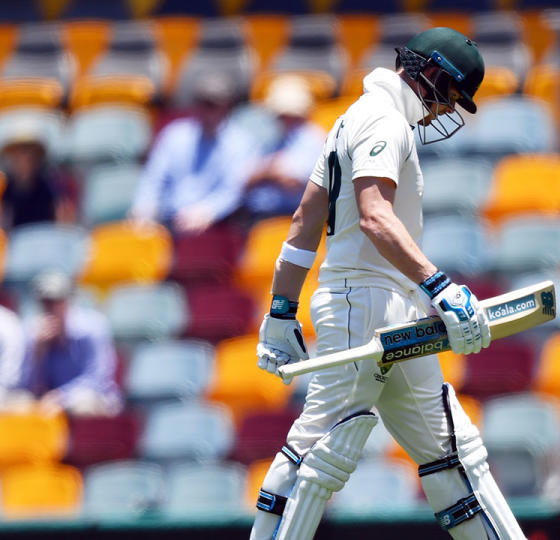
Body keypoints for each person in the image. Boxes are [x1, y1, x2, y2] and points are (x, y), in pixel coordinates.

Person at [251, 28, 525, 539]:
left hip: (380, 302)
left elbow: (304, 223)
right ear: (435, 74)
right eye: (451, 96)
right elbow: (375, 217)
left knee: (454, 451)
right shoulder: (382, 119)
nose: (446, 112)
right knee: (321, 448)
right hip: (366, 302)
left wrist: (282, 310)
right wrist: (439, 285)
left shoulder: (350, 119)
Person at [129, 72, 258, 234]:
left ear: (226, 107)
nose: (206, 111)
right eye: (203, 103)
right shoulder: (174, 135)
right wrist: (144, 208)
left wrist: (208, 211)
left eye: (213, 105)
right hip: (169, 222)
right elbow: (153, 179)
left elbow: (235, 190)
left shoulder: (242, 143)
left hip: (218, 227)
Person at [6, 271, 121, 416]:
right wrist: (38, 352)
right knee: (14, 405)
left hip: (95, 398)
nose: (51, 307)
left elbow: (97, 378)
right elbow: (27, 386)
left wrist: (62, 396)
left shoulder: (93, 328)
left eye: (56, 301)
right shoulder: (33, 333)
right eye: (45, 301)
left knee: (81, 404)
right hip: (49, 401)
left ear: (68, 301)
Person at [243, 74, 326, 220]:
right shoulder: (270, 137)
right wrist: (269, 173)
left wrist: (266, 173)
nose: (285, 119)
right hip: (258, 215)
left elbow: (294, 183)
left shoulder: (314, 139)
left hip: (296, 218)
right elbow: (245, 180)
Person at [0, 121, 75, 231]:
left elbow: (63, 217)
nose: (24, 158)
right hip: (18, 243)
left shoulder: (49, 185)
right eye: (19, 153)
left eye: (28, 151)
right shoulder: (7, 187)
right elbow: (5, 220)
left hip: (46, 240)